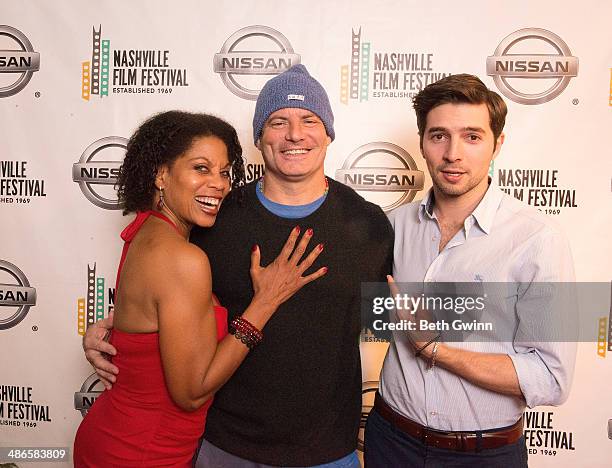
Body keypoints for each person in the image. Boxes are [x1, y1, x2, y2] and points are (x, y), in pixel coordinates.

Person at [84, 64, 394, 467]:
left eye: (309, 120)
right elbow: (168, 302)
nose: (295, 134)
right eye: (278, 121)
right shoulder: (211, 218)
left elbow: (396, 322)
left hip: (325, 452)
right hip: (224, 448)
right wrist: (115, 330)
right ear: (260, 137)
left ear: (328, 132)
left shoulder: (370, 225)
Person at [74, 110, 327, 467]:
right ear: (161, 174)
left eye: (224, 172)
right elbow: (191, 393)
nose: (220, 184)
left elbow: (149, 321)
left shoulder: (147, 231)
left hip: (118, 436)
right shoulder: (182, 257)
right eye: (201, 168)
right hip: (142, 453)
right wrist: (265, 303)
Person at [363, 74, 577, 467]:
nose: (453, 154)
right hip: (390, 441)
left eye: (472, 137)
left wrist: (434, 349)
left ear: (497, 144)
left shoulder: (538, 239)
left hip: (483, 456)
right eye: (439, 135)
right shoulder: (393, 226)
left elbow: (551, 378)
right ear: (423, 142)